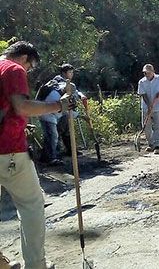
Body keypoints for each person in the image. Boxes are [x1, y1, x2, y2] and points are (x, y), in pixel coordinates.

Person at [0, 41, 74, 269]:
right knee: (31, 205)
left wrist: (20, 124)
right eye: (30, 66)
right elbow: (21, 106)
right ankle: (36, 264)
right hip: (8, 149)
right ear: (24, 58)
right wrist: (57, 106)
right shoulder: (13, 69)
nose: (28, 71)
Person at [52, 64, 86, 158]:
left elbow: (75, 90)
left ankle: (71, 151)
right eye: (70, 72)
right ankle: (56, 155)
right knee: (58, 132)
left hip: (63, 111)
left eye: (72, 72)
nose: (72, 74)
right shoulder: (58, 82)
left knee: (67, 130)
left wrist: (81, 95)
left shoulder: (67, 82)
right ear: (64, 73)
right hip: (57, 110)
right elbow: (67, 93)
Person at [137, 64, 159, 154]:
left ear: (153, 72)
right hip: (146, 107)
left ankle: (157, 146)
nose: (146, 74)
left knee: (158, 127)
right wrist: (149, 105)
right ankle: (151, 144)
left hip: (158, 107)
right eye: (145, 73)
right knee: (146, 127)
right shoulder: (142, 82)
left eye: (148, 72)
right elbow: (143, 94)